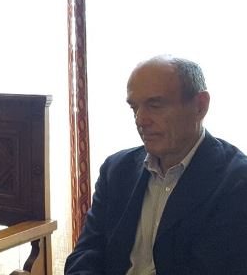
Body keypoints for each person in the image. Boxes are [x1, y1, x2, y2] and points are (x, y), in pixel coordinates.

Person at [65, 55, 247, 274]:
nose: (140, 120)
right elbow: (87, 253)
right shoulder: (117, 169)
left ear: (200, 106)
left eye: (155, 105)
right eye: (134, 108)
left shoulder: (236, 181)